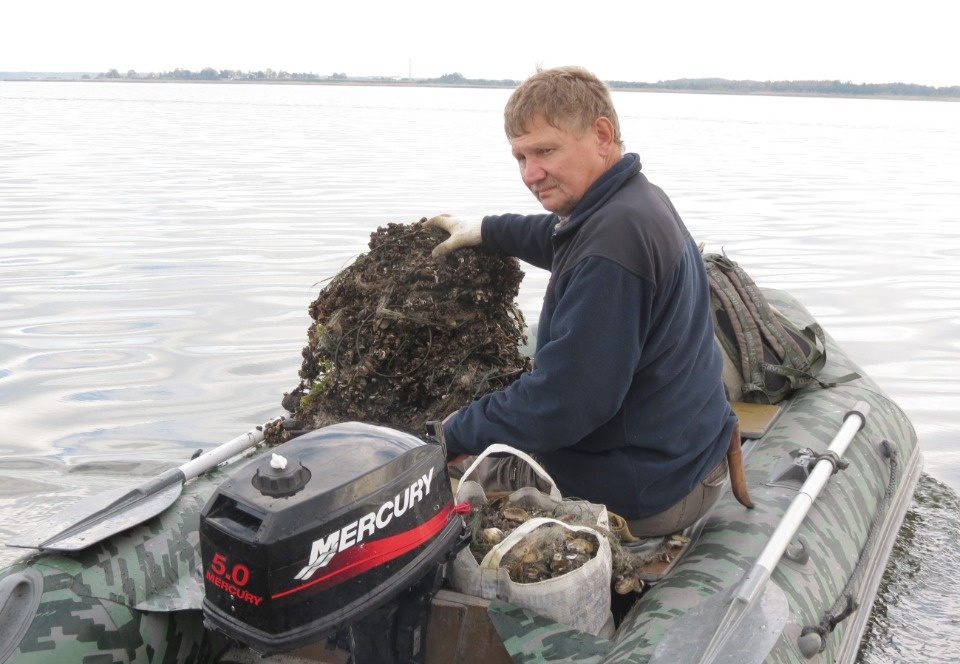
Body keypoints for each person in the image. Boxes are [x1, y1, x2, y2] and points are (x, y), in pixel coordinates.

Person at [426, 66, 750, 538]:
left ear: (601, 135)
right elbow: (563, 238)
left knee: (444, 487)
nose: (530, 174)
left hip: (646, 492)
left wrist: (453, 432)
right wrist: (488, 230)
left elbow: (565, 405)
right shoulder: (632, 200)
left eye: (545, 151)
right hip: (683, 455)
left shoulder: (613, 243)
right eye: (519, 156)